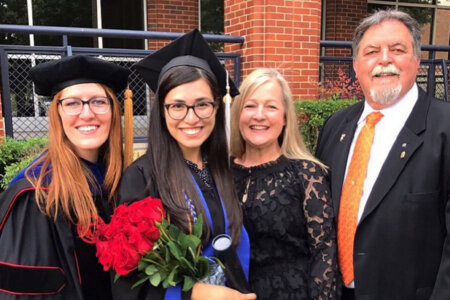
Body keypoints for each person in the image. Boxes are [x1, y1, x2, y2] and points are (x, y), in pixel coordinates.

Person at [315, 9, 450, 300]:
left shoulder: (444, 127)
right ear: (356, 64)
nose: (384, 59)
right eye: (372, 51)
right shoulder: (335, 126)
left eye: (397, 50)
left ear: (417, 60)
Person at [113, 29, 256, 300]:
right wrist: (193, 294)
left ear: (216, 108)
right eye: (177, 106)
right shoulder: (141, 178)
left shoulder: (223, 168)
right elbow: (128, 282)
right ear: (162, 111)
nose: (191, 118)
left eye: (202, 104)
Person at [0, 55, 129, 299]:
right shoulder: (35, 193)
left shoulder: (121, 178)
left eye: (99, 102)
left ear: (113, 110)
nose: (87, 114)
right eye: (72, 103)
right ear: (57, 113)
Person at [230, 68, 338, 300]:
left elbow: (324, 254)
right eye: (250, 106)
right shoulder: (219, 173)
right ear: (238, 113)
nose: (259, 115)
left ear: (285, 116)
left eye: (271, 106)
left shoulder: (306, 174)